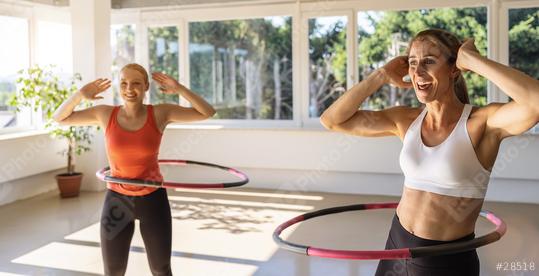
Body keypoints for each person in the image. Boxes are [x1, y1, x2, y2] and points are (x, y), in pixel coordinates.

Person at [320, 29, 539, 275]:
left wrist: (475, 61)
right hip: (397, 244)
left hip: (444, 259)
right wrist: (380, 75)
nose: (417, 72)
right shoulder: (406, 120)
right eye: (413, 63)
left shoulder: (483, 123)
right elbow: (332, 120)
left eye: (429, 61)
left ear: (454, 68)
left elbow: (536, 102)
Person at [53, 63, 216, 276]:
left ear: (147, 86)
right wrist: (80, 95)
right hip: (117, 201)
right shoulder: (105, 114)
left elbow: (207, 112)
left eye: (136, 83)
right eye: (124, 83)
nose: (129, 89)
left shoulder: (159, 113)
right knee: (113, 270)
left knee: (161, 268)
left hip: (153, 199)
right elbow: (60, 119)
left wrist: (180, 89)